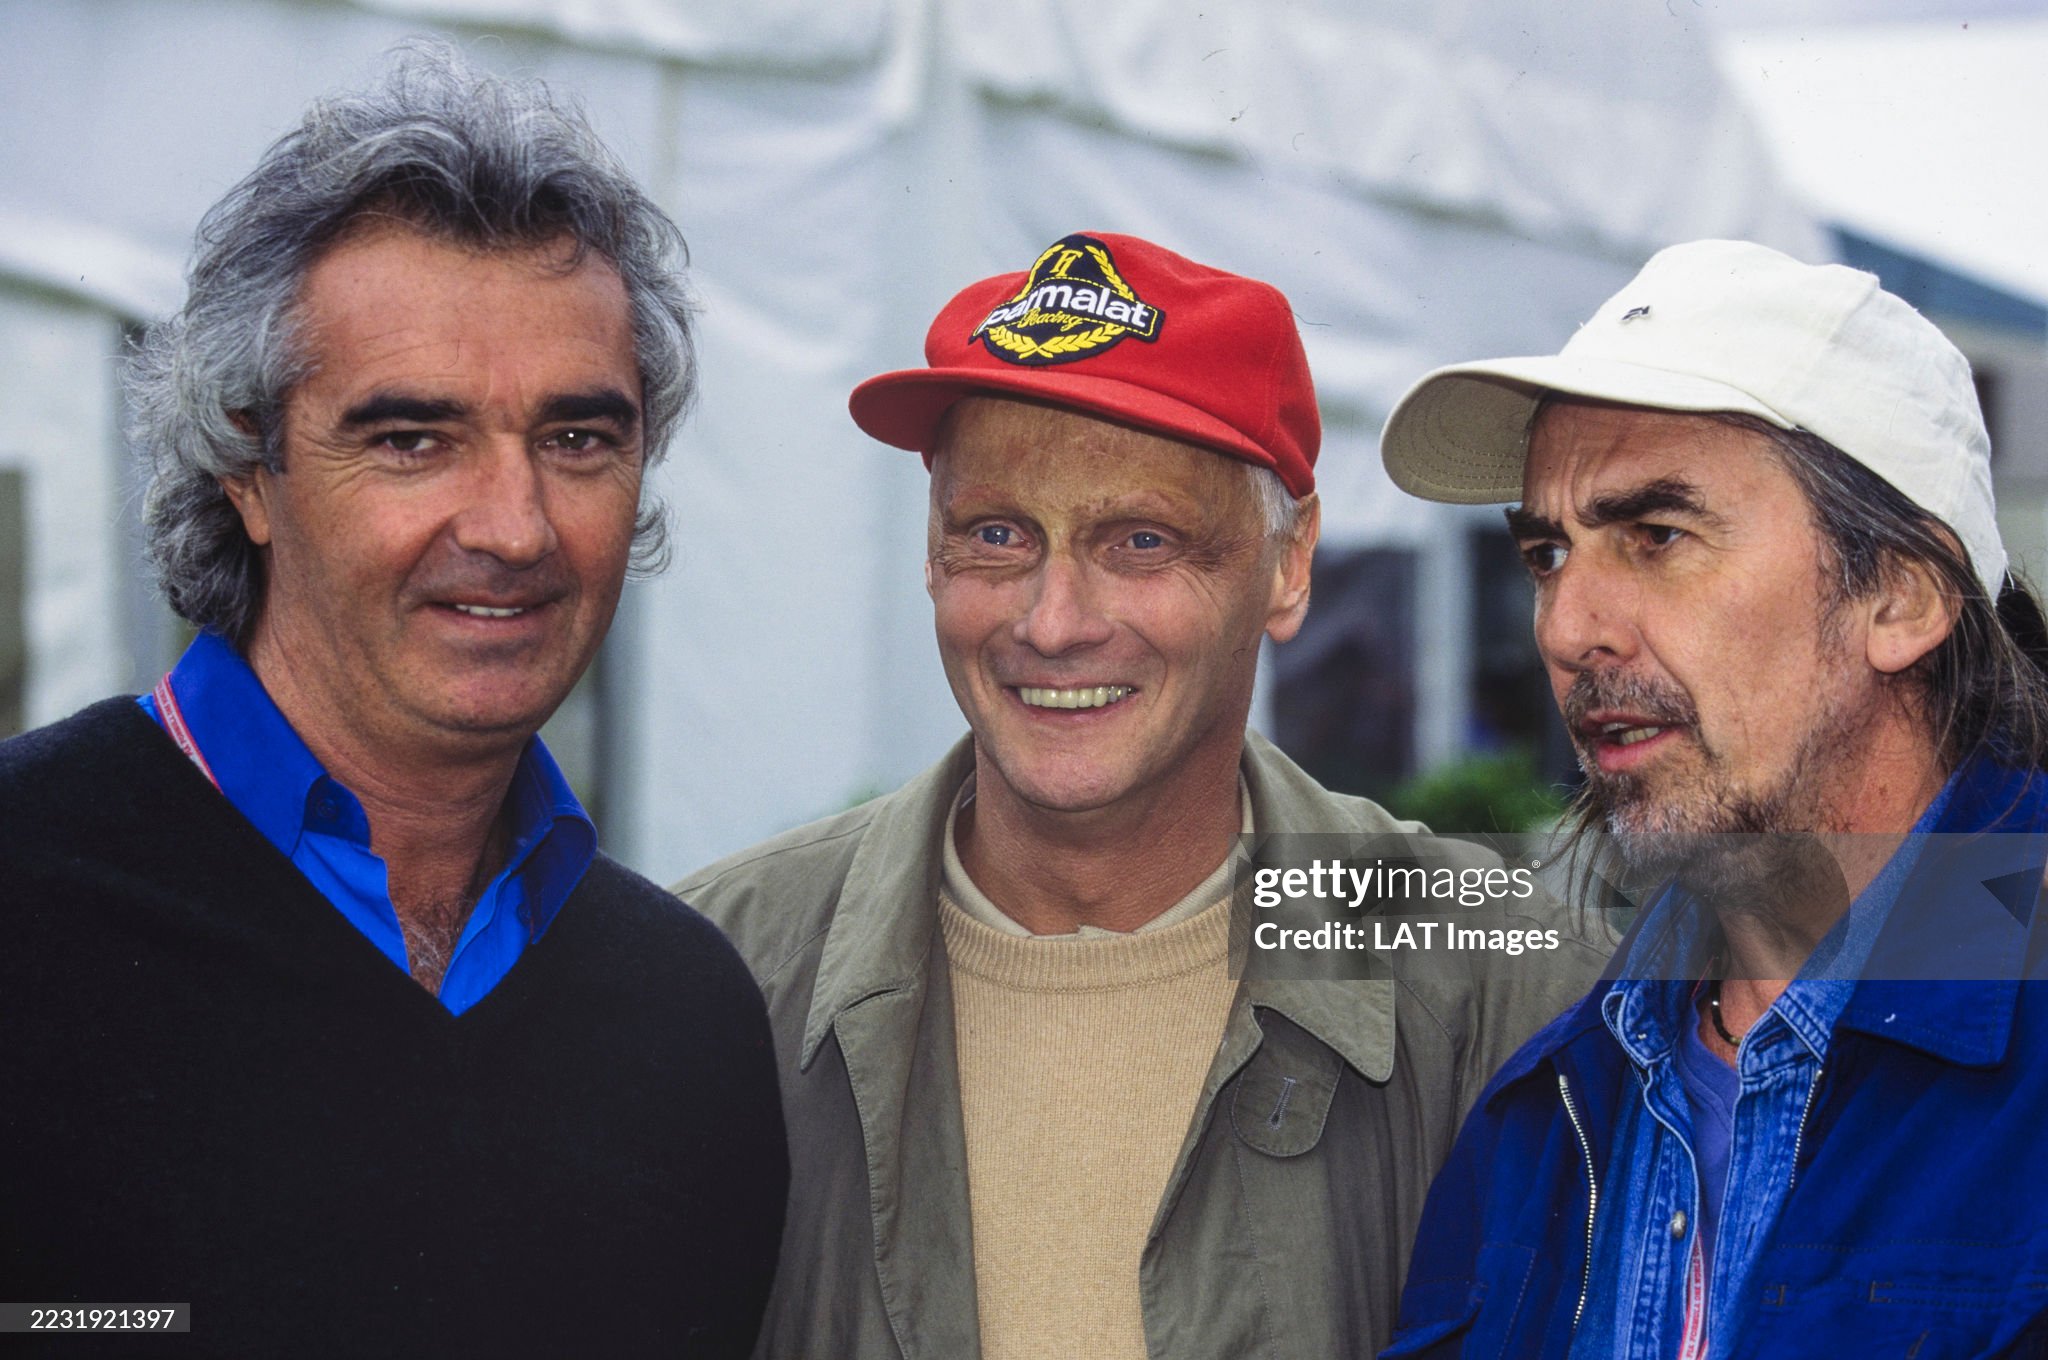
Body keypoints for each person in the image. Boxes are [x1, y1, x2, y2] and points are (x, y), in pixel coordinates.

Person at [675, 231, 1606, 1360]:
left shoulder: (1510, 978)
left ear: (1288, 562)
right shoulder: (719, 969)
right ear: (929, 553)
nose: (1052, 619)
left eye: (1141, 540)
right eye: (996, 534)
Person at [0, 48, 784, 1357]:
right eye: (412, 440)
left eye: (578, 439)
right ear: (248, 469)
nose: (515, 524)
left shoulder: (685, 1020)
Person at [1376, 238, 2048, 1358]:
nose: (1563, 626)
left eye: (1657, 536)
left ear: (1899, 596)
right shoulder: (1542, 1113)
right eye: (1547, 553)